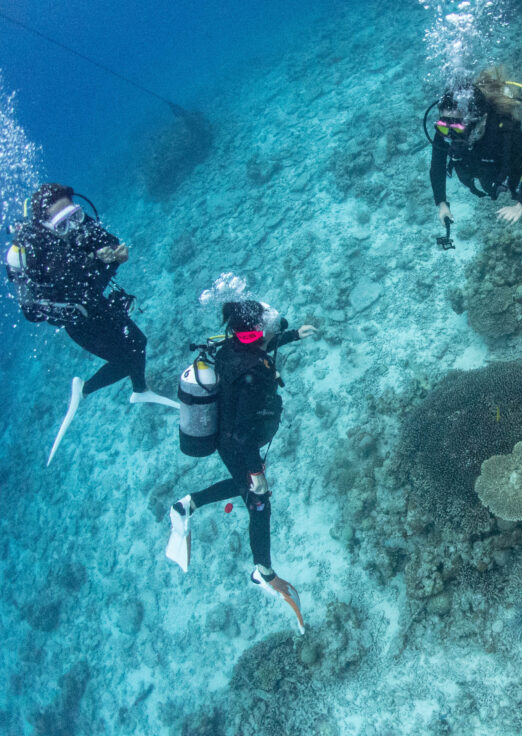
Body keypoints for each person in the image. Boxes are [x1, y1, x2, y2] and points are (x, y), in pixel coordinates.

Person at [166, 300, 318, 633]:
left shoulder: (231, 345)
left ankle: (187, 506)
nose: (272, 324)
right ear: (254, 332)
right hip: (235, 443)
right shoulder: (254, 373)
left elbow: (260, 344)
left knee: (245, 487)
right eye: (267, 323)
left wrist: (293, 335)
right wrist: (256, 471)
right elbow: (245, 430)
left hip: (226, 435)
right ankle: (263, 571)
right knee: (259, 501)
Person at [4, 183, 178, 466]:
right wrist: (97, 262)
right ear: (45, 225)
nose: (73, 225)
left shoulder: (80, 222)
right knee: (125, 358)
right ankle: (83, 390)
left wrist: (114, 256)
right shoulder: (36, 253)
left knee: (138, 344)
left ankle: (140, 390)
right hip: (77, 320)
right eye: (63, 223)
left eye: (74, 215)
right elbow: (38, 309)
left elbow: (109, 245)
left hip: (97, 303)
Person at [430, 69, 522, 232]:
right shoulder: (446, 131)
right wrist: (442, 203)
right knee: (489, 185)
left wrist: (521, 206)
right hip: (483, 168)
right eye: (443, 127)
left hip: (510, 166)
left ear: (477, 121)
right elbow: (437, 166)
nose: (450, 135)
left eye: (457, 129)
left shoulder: (505, 133)